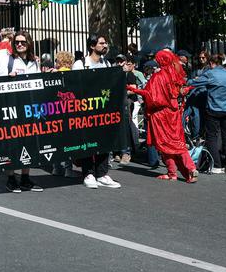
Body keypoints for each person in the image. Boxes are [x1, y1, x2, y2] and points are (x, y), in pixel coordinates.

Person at [127, 50, 196, 182]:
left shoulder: (157, 77)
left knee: (164, 143)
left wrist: (134, 90)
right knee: (177, 142)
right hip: (173, 113)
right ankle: (190, 169)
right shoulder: (175, 75)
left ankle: (173, 172)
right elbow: (181, 91)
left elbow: (150, 95)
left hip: (160, 114)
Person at [72, 34, 121, 189]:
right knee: (88, 142)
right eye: (101, 43)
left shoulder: (106, 63)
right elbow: (74, 85)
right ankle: (88, 173)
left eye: (105, 43)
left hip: (103, 109)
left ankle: (102, 173)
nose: (105, 45)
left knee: (104, 141)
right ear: (92, 46)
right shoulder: (80, 64)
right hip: (86, 110)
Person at [5, 31, 43, 193]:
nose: (19, 44)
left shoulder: (35, 62)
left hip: (31, 108)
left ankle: (25, 177)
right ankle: (11, 178)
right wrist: (8, 77)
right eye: (17, 42)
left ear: (29, 43)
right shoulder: (9, 60)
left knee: (29, 142)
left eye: (23, 42)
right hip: (13, 108)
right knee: (13, 142)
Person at [187, 53, 226, 175]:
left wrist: (187, 80)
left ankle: (217, 165)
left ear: (211, 63)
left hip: (214, 109)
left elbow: (193, 83)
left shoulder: (210, 73)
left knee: (212, 137)